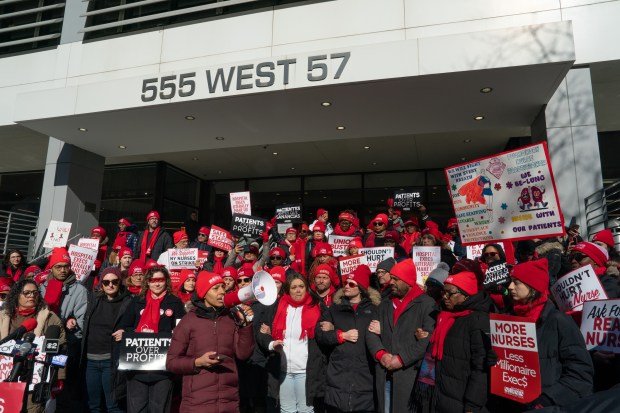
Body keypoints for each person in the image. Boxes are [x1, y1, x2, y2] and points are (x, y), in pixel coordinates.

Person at [500, 259, 594, 411]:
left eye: (517, 282)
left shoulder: (559, 321)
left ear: (533, 286)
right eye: (511, 281)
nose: (510, 287)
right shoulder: (508, 319)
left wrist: (547, 399)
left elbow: (580, 374)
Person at [166, 271, 255, 413]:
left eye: (223, 287)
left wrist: (246, 326)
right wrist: (196, 363)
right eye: (215, 288)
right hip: (196, 404)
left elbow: (243, 354)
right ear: (203, 293)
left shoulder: (231, 317)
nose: (222, 292)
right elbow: (171, 362)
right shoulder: (188, 321)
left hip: (229, 403)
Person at [366, 259, 435, 413]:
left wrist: (402, 359)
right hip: (385, 375)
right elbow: (370, 333)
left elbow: (427, 340)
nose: (391, 282)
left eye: (396, 279)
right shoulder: (385, 303)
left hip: (409, 376)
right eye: (392, 278)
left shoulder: (427, 304)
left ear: (409, 281)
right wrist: (380, 354)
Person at [117, 266, 186, 413]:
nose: (157, 284)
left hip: (163, 369)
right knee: (137, 409)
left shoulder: (175, 302)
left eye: (160, 280)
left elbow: (183, 329)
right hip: (137, 369)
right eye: (153, 280)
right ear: (147, 282)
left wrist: (176, 333)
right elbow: (125, 325)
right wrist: (125, 331)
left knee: (159, 409)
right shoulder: (137, 302)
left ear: (166, 281)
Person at [424, 271, 495, 413]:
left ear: (465, 295)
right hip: (441, 396)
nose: (444, 297)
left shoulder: (478, 320)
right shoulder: (444, 316)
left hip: (461, 402)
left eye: (450, 293)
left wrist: (472, 406)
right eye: (443, 292)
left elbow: (480, 368)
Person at [315, 264, 380, 413]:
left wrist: (382, 330)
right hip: (338, 377)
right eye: (345, 283)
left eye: (352, 284)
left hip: (365, 379)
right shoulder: (335, 308)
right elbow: (319, 332)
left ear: (361, 288)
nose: (347, 286)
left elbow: (389, 334)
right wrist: (340, 335)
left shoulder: (375, 310)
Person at [258, 273, 326, 413]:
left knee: (306, 410)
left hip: (306, 371)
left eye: (301, 286)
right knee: (286, 410)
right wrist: (272, 343)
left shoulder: (318, 306)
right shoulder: (277, 307)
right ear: (288, 289)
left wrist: (329, 328)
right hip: (283, 370)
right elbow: (261, 333)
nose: (298, 290)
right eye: (294, 287)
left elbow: (326, 335)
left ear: (306, 288)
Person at [0, 279, 67, 413]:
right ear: (17, 295)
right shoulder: (3, 316)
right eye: (27, 293)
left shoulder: (50, 318)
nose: (32, 296)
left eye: (35, 293)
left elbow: (61, 348)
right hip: (7, 379)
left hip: (34, 382)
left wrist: (58, 378)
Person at [39, 247, 89, 411]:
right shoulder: (41, 287)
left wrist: (70, 323)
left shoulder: (80, 290)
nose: (62, 270)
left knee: (62, 385)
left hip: (65, 346)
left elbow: (81, 321)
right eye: (58, 266)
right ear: (51, 268)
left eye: (66, 266)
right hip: (41, 345)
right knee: (41, 383)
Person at [82, 267, 132, 413]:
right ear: (101, 284)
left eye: (114, 281)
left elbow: (137, 325)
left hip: (111, 361)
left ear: (120, 282)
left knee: (113, 406)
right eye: (106, 282)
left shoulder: (129, 302)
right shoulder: (94, 299)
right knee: (93, 406)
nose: (110, 285)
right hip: (90, 361)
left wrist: (126, 332)